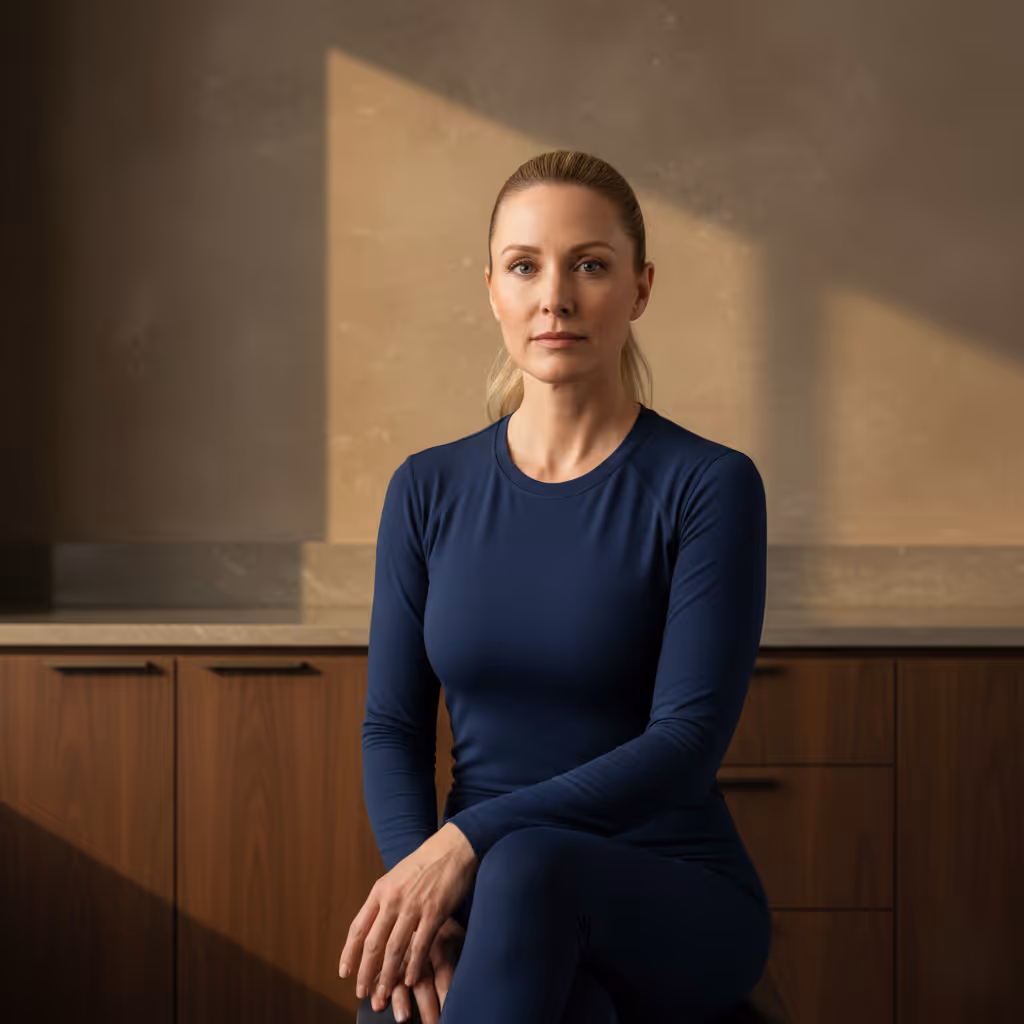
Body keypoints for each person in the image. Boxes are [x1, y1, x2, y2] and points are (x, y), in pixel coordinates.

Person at [340, 149, 772, 1024]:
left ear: (640, 288)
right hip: (482, 887)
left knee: (532, 867)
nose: (556, 297)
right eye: (526, 266)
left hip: (667, 887)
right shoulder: (426, 489)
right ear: (492, 287)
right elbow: (392, 726)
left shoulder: (709, 485)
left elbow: (685, 743)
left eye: (591, 266)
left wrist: (465, 844)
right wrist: (420, 893)